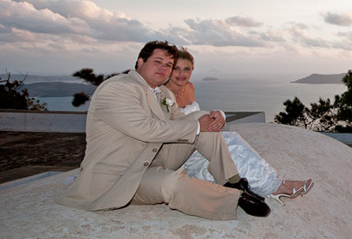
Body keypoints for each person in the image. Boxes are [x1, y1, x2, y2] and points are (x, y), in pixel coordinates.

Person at [58, 41, 270, 219]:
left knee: (200, 118)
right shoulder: (117, 88)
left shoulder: (163, 95)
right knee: (171, 183)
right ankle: (232, 200)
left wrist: (214, 117)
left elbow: (182, 120)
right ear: (140, 62)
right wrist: (197, 125)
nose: (164, 69)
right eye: (157, 62)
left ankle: (232, 182)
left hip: (156, 157)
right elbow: (144, 129)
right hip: (123, 175)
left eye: (168, 64)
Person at [165, 47, 313, 205]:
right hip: (182, 151)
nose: (182, 74)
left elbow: (200, 113)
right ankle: (275, 187)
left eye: (186, 69)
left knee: (231, 144)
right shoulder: (163, 93)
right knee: (230, 142)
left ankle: (275, 183)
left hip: (203, 143)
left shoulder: (189, 88)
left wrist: (219, 115)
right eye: (177, 69)